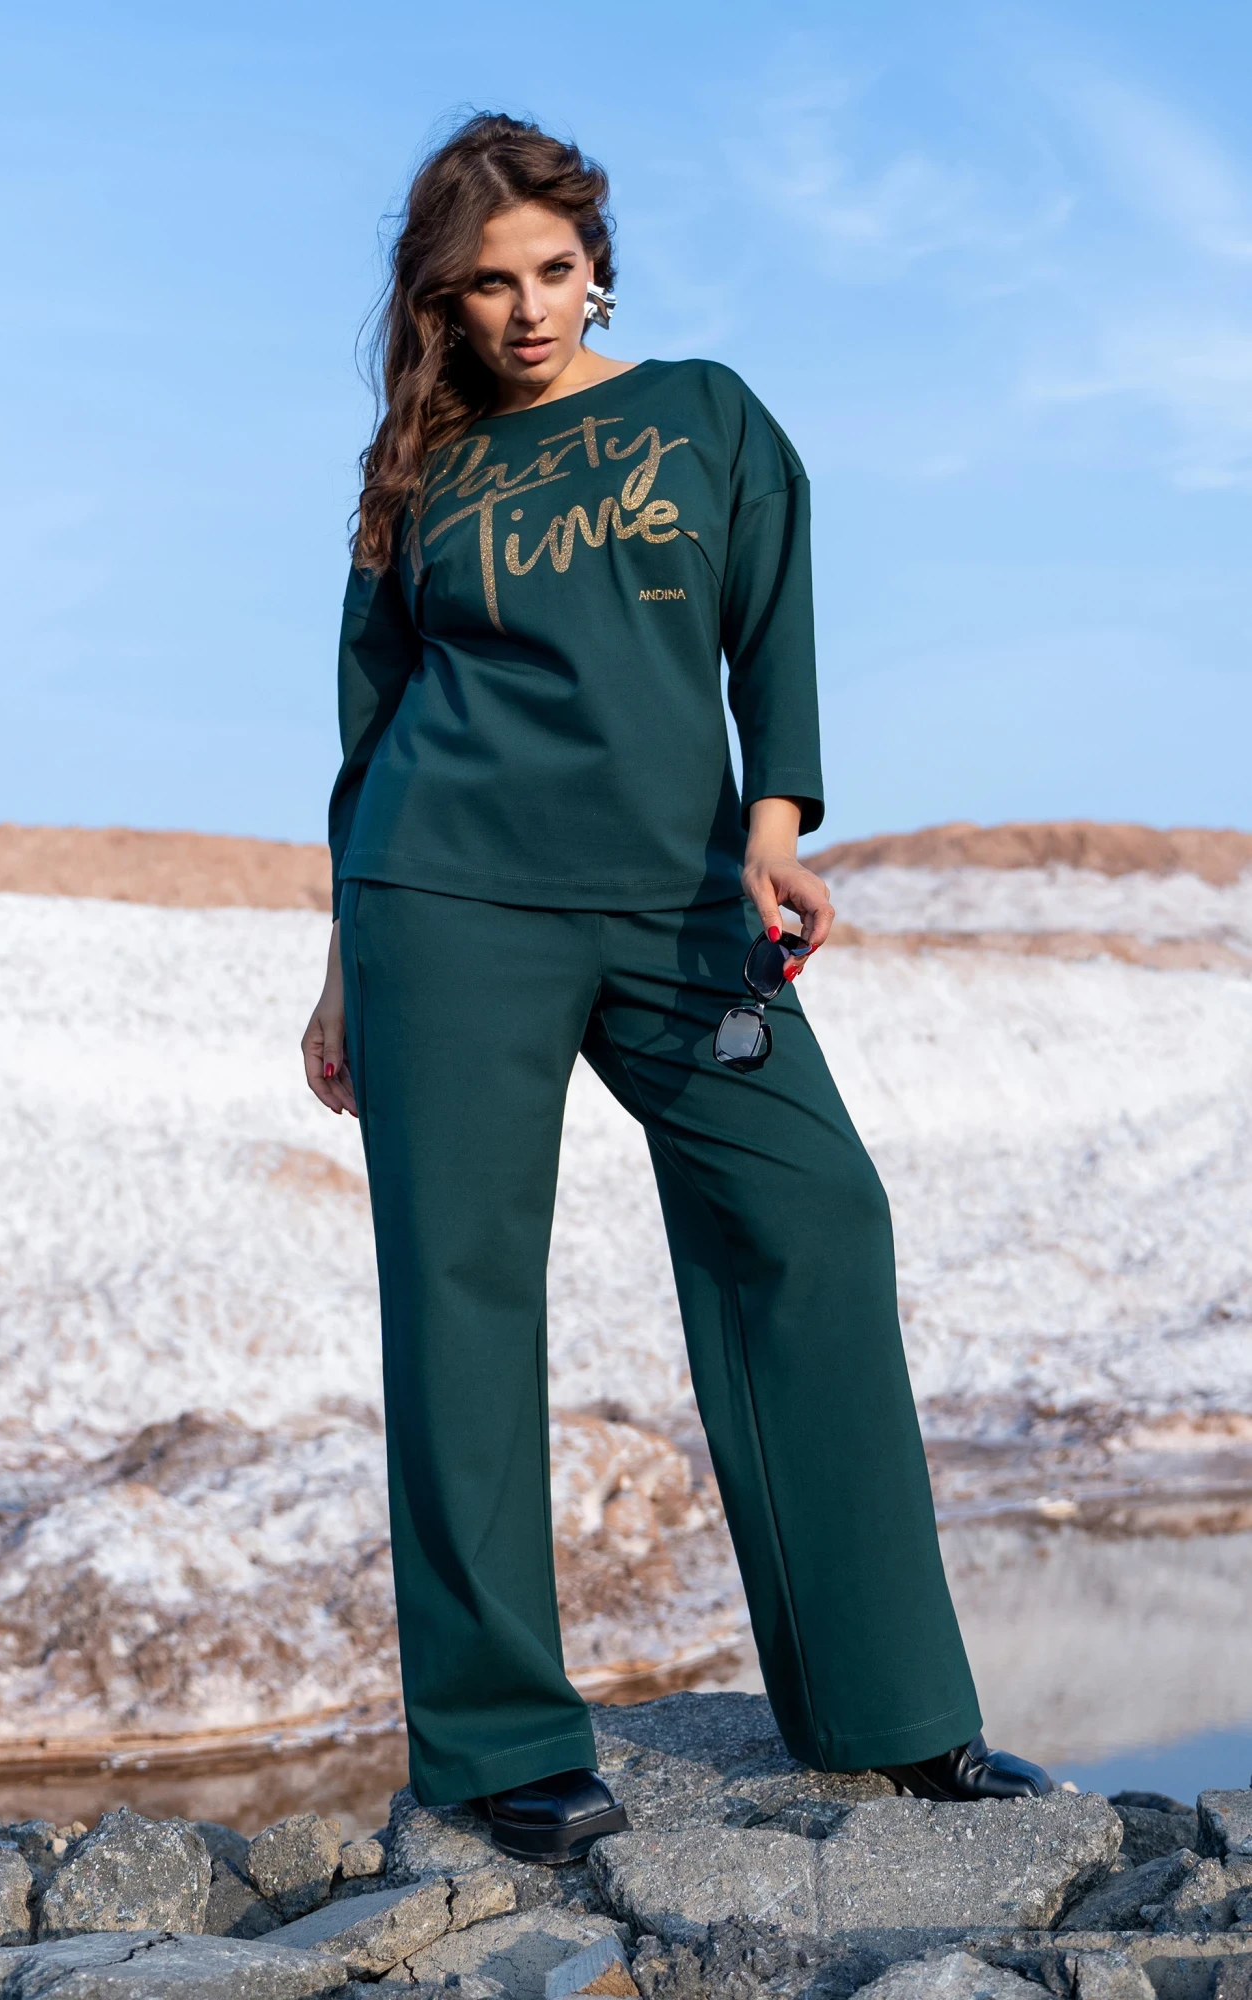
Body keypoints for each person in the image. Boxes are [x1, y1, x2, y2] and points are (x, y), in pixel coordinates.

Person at [302, 111, 1051, 1864]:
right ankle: (497, 1742)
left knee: (816, 1219)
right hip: (444, 903)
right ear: (440, 303)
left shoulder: (707, 416)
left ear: (598, 265)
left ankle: (891, 1710)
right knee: (461, 1297)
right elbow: (369, 728)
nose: (526, 309)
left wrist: (774, 827)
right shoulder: (419, 472)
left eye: (553, 269)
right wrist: (342, 967)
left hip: (679, 903)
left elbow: (770, 626)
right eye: (486, 285)